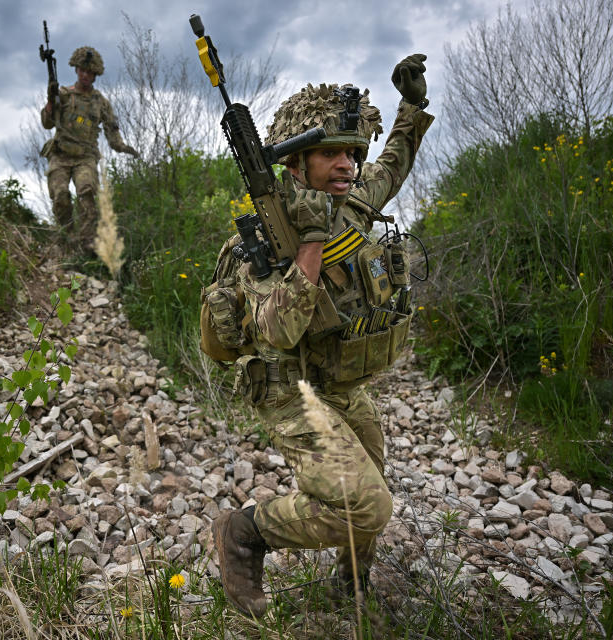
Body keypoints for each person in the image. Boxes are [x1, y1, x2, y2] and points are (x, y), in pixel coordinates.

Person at [212, 54, 435, 617]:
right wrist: (309, 241)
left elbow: (394, 162)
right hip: (289, 386)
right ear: (294, 163)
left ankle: (350, 592)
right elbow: (277, 330)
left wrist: (412, 105)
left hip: (338, 382)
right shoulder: (261, 242)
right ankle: (244, 534)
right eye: (330, 152)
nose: (347, 164)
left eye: (350, 152)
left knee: (370, 486)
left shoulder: (352, 204)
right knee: (365, 506)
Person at [40, 46, 138, 240]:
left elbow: (112, 130)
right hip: (60, 155)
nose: (85, 75)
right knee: (60, 196)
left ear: (95, 75)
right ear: (76, 70)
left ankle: (87, 244)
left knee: (87, 196)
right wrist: (51, 100)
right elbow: (47, 123)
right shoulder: (65, 94)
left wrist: (123, 148)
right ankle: (66, 237)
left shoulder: (100, 102)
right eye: (82, 70)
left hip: (85, 157)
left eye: (89, 72)